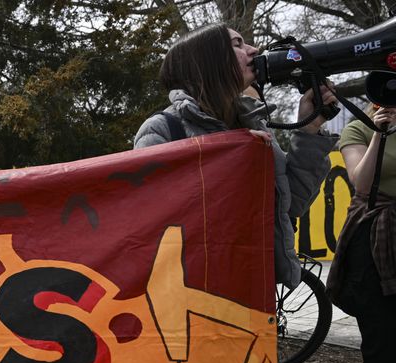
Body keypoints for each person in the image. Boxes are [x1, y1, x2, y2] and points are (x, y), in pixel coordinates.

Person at [133, 24, 338, 289]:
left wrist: (308, 129)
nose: (254, 49)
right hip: (194, 295)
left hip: (254, 286)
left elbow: (292, 205)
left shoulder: (252, 124)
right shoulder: (160, 130)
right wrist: (231, 156)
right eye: (238, 44)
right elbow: (151, 228)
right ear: (206, 61)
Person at [328, 104, 396, 363]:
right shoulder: (360, 127)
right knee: (380, 326)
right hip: (374, 233)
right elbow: (362, 183)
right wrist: (379, 134)